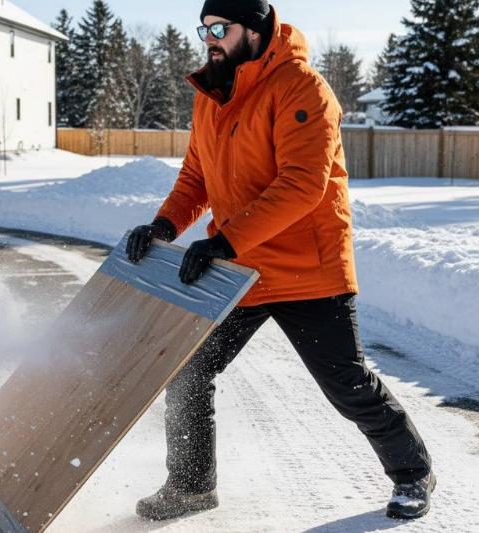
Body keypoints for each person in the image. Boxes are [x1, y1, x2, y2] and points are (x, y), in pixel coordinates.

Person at [126, 0, 434, 522]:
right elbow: (195, 179)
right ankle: (192, 485)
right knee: (187, 368)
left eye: (220, 28)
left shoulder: (301, 87)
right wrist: (165, 225)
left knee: (347, 382)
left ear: (255, 28)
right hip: (239, 270)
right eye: (204, 29)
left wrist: (225, 242)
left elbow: (302, 185)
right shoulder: (211, 96)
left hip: (305, 269)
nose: (210, 39)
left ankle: (413, 473)